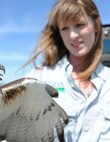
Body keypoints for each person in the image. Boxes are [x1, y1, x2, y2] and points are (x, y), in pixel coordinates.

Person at [24, 0, 110, 141]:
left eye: (79, 25)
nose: (72, 35)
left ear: (96, 25)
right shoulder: (39, 78)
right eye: (65, 28)